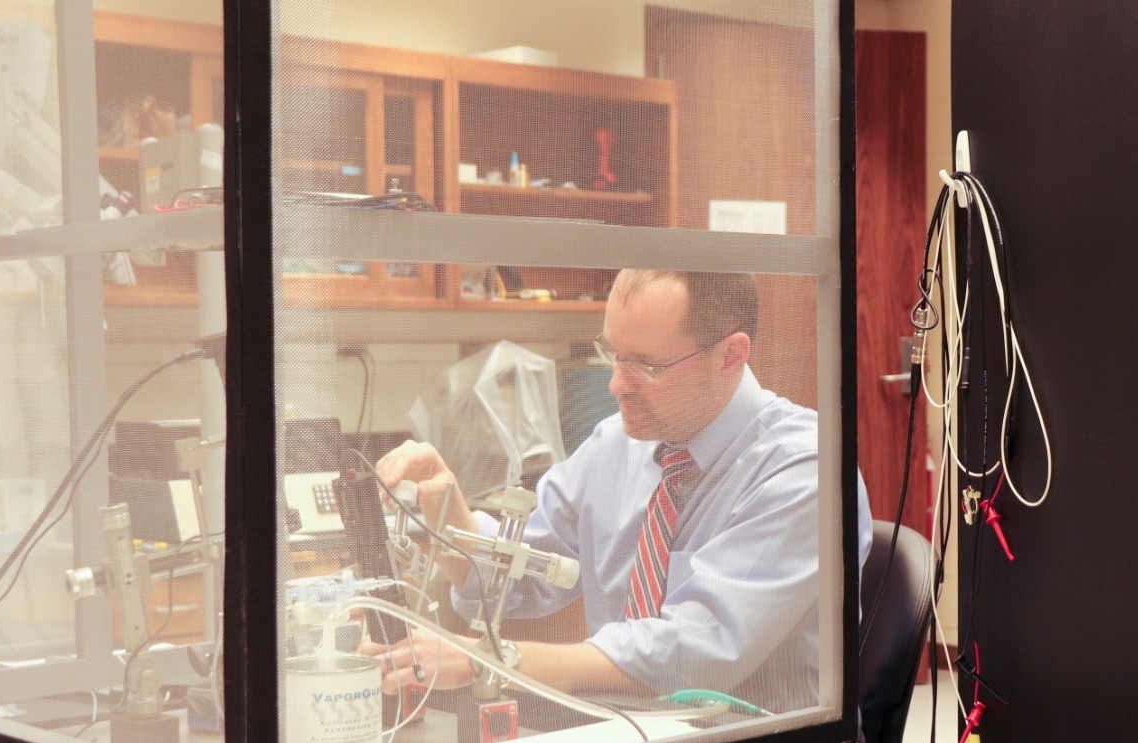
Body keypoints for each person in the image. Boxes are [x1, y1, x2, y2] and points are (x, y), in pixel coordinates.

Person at [369, 268, 871, 713]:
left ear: (730, 355)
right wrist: (444, 519)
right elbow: (519, 576)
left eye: (645, 366)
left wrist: (491, 660)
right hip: (620, 740)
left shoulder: (807, 469)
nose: (616, 384)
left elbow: (692, 657)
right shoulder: (616, 446)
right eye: (611, 354)